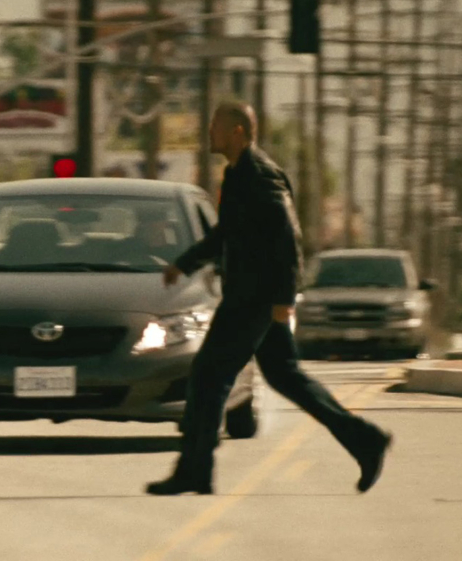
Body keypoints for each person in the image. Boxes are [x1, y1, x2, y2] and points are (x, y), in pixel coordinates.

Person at [146, 102, 392, 496]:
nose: (210, 132)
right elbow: (226, 234)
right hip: (250, 295)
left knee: (208, 376)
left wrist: (284, 297)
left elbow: (288, 238)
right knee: (285, 376)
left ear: (238, 132)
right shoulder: (237, 174)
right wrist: (185, 263)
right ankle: (365, 440)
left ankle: (194, 469)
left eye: (216, 126)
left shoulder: (260, 176)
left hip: (253, 299)